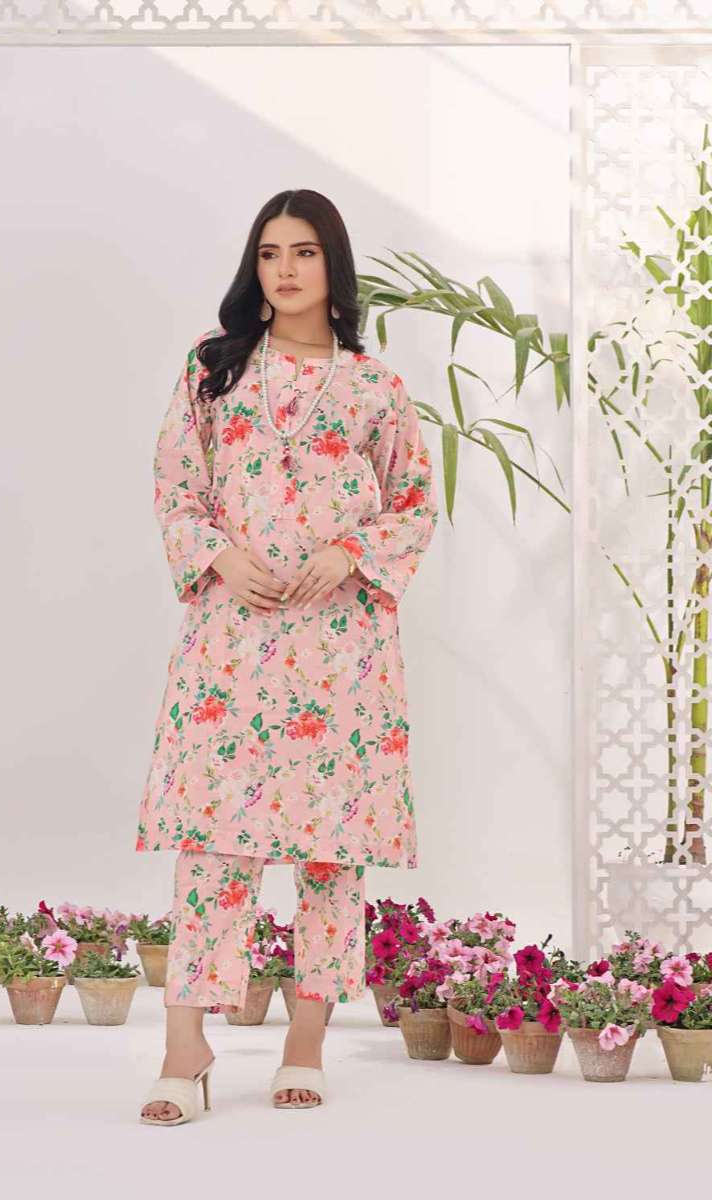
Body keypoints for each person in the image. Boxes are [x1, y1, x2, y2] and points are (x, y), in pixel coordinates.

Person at [137, 188, 439, 1124]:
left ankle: (305, 1043)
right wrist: (219, 556)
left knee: (330, 851)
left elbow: (414, 500)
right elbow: (176, 486)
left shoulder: (376, 387)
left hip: (340, 646)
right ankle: (184, 1046)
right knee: (213, 844)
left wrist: (348, 553)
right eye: (270, 253)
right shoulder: (214, 367)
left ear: (332, 264)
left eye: (304, 252)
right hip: (232, 639)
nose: (285, 269)